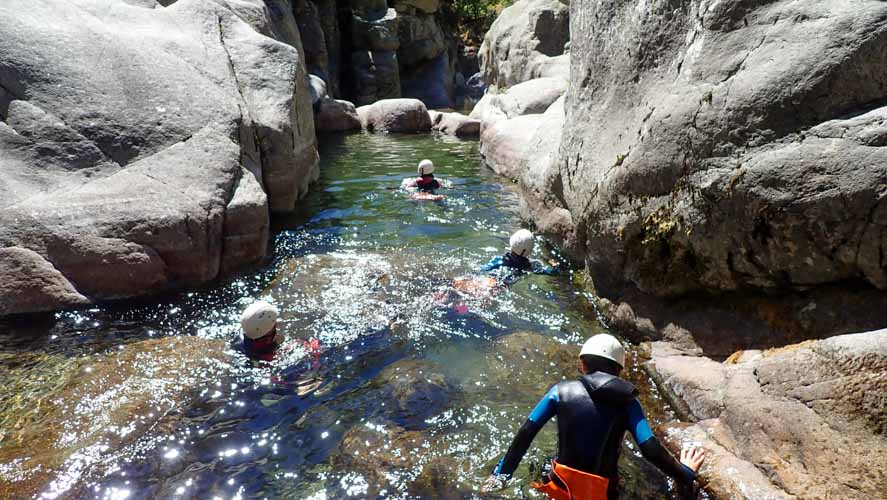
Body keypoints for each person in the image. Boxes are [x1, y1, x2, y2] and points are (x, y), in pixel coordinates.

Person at [483, 333, 706, 499]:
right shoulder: (629, 402)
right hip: (602, 493)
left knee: (543, 463)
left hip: (560, 484)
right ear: (619, 370)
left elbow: (526, 432)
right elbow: (650, 448)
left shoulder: (560, 391)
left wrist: (501, 475)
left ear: (583, 364)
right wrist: (685, 473)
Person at [480, 229, 558, 281]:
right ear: (530, 251)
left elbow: (482, 269)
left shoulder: (499, 260)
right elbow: (553, 272)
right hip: (505, 285)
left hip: (493, 279)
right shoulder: (530, 266)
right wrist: (553, 263)